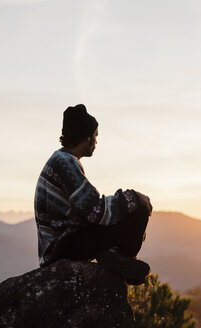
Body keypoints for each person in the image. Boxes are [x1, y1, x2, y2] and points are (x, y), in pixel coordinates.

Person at [34, 104, 152, 284]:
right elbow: (94, 210)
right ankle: (120, 260)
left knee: (129, 208)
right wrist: (134, 198)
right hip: (63, 247)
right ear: (87, 138)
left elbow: (88, 209)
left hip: (60, 245)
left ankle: (116, 258)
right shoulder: (65, 163)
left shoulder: (61, 160)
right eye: (95, 136)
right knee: (138, 210)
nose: (96, 142)